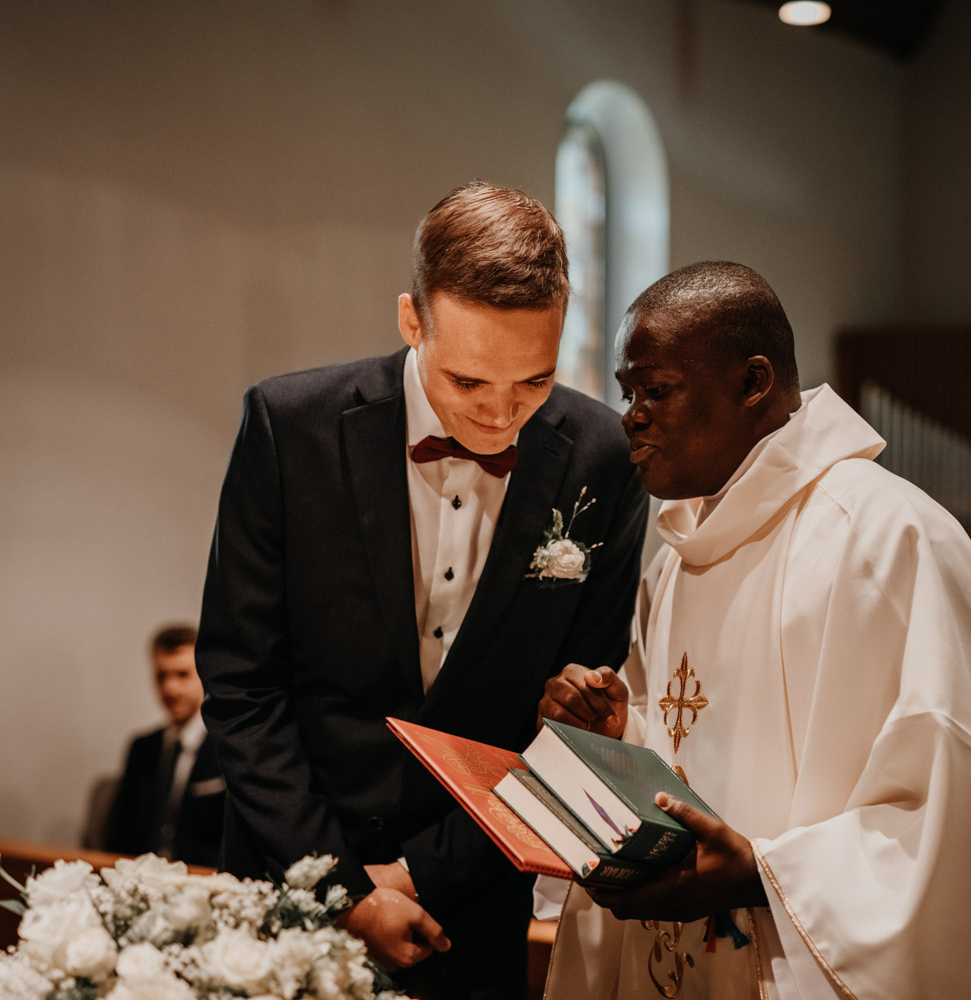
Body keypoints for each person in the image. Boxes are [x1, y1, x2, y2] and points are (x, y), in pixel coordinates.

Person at [538, 262, 971, 999]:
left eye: (656, 390)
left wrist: (762, 873)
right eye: (629, 394)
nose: (631, 415)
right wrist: (620, 734)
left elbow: (967, 815)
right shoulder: (677, 562)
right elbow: (690, 751)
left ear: (753, 383)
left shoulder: (887, 540)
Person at [196, 182, 647, 998]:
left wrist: (417, 875)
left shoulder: (601, 458)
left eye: (533, 384)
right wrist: (344, 889)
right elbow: (241, 688)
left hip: (469, 908)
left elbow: (583, 723)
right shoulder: (288, 428)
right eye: (469, 382)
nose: (501, 417)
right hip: (287, 890)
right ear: (412, 320)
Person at [103, 624, 225, 867]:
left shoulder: (226, 749)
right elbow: (119, 835)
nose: (170, 688)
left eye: (182, 674)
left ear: (205, 675)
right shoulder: (142, 748)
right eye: (162, 675)